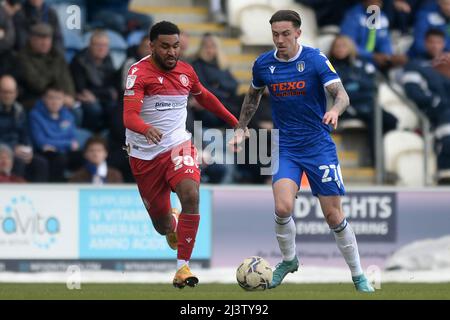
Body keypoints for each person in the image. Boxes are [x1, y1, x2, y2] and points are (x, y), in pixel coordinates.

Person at [229, 10, 374, 292]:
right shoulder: (263, 65)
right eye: (275, 34)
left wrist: (333, 110)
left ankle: (358, 276)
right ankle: (289, 260)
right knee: (282, 207)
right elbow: (252, 96)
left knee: (333, 215)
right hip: (286, 146)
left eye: (285, 34)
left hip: (318, 145)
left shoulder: (315, 59)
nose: (280, 40)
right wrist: (241, 127)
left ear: (298, 32)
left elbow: (342, 94)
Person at [123, 21, 241, 288]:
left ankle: (182, 267)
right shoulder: (138, 73)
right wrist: (145, 128)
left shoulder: (187, 70)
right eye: (165, 47)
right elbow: (129, 116)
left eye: (175, 46)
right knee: (163, 227)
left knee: (191, 193)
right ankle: (172, 221)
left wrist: (235, 122)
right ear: (151, 46)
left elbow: (206, 98)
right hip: (144, 155)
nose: (171, 52)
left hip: (178, 145)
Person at [340, 0, 408, 71]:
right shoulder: (353, 16)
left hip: (376, 62)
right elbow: (348, 45)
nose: (375, 5)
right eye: (372, 2)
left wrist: (388, 57)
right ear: (364, 1)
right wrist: (372, 56)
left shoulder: (382, 17)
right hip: (354, 61)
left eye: (378, 2)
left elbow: (384, 42)